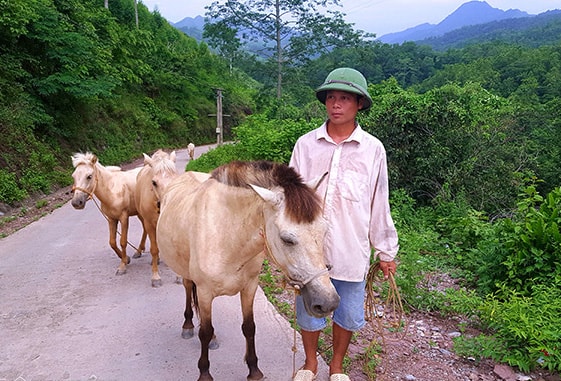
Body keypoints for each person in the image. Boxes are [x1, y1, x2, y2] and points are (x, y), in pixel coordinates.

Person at [289, 67, 399, 381]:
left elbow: (379, 201)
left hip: (351, 248)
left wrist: (386, 250)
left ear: (359, 104)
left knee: (348, 313)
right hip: (311, 252)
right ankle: (310, 364)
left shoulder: (372, 150)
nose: (336, 104)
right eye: (331, 98)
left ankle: (336, 367)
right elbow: (290, 198)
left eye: (345, 99)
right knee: (310, 311)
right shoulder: (306, 145)